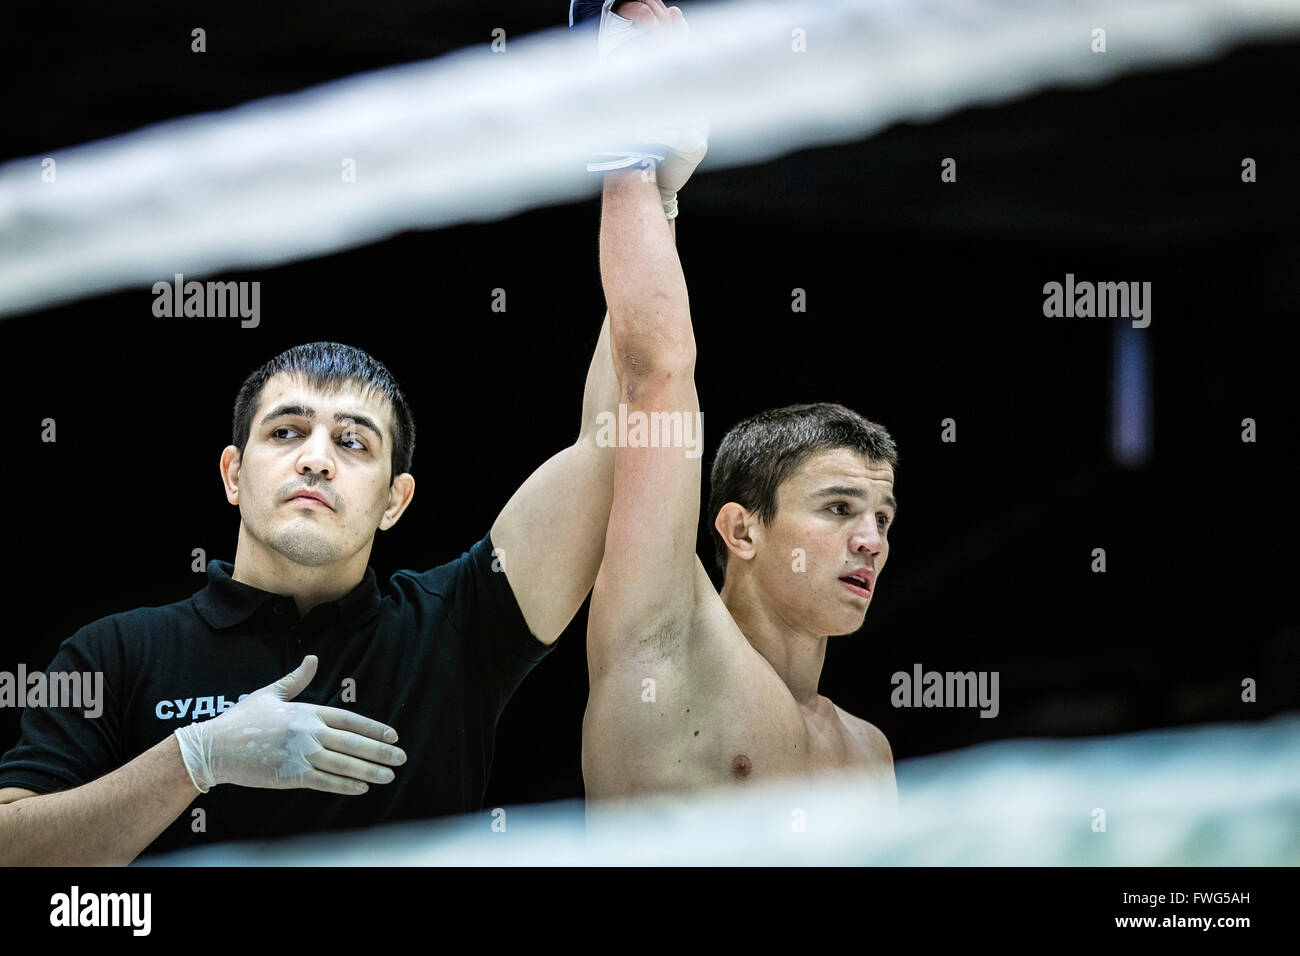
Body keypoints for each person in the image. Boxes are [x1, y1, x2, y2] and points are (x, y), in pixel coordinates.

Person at [0, 334, 622, 864]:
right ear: (233, 475)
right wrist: (196, 758)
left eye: (353, 442)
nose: (317, 459)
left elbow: (609, 443)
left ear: (394, 501)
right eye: (287, 431)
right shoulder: (113, 652)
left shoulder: (458, 623)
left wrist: (645, 196)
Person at [579, 0, 900, 804]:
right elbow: (651, 377)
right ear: (740, 527)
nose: (870, 541)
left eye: (882, 518)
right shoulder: (666, 646)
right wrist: (636, 164)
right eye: (837, 509)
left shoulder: (870, 752)